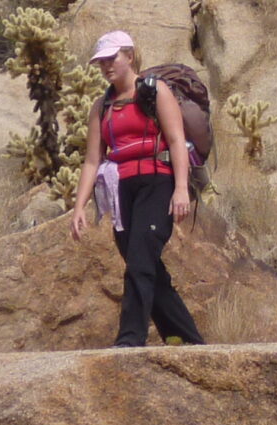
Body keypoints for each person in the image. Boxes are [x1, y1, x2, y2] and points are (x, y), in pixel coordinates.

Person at [69, 29, 204, 348]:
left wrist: (181, 189)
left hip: (157, 182)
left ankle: (130, 338)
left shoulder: (155, 91)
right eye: (100, 62)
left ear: (129, 56)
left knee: (141, 260)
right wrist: (79, 208)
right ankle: (187, 340)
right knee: (146, 267)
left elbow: (175, 140)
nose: (105, 66)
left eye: (111, 58)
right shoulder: (101, 106)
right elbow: (92, 160)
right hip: (121, 191)